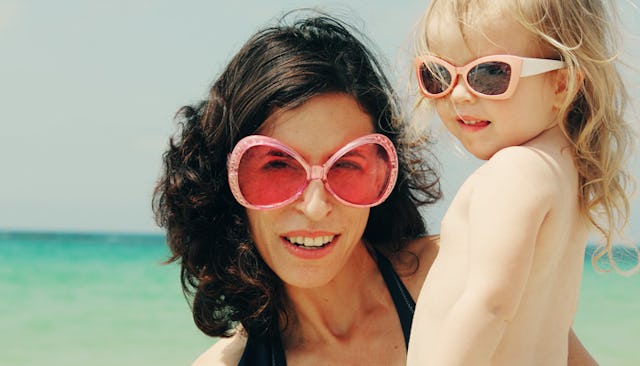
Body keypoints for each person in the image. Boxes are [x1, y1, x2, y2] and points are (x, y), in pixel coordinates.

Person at [153, 11, 599, 366]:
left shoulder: (456, 275)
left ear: (386, 170)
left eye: (347, 164)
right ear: (226, 180)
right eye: (276, 166)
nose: (314, 206)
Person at [406, 1, 635, 365]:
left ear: (561, 83)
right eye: (439, 74)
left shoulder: (515, 171)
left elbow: (491, 304)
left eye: (490, 74)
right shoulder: (562, 179)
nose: (460, 94)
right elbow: (555, 333)